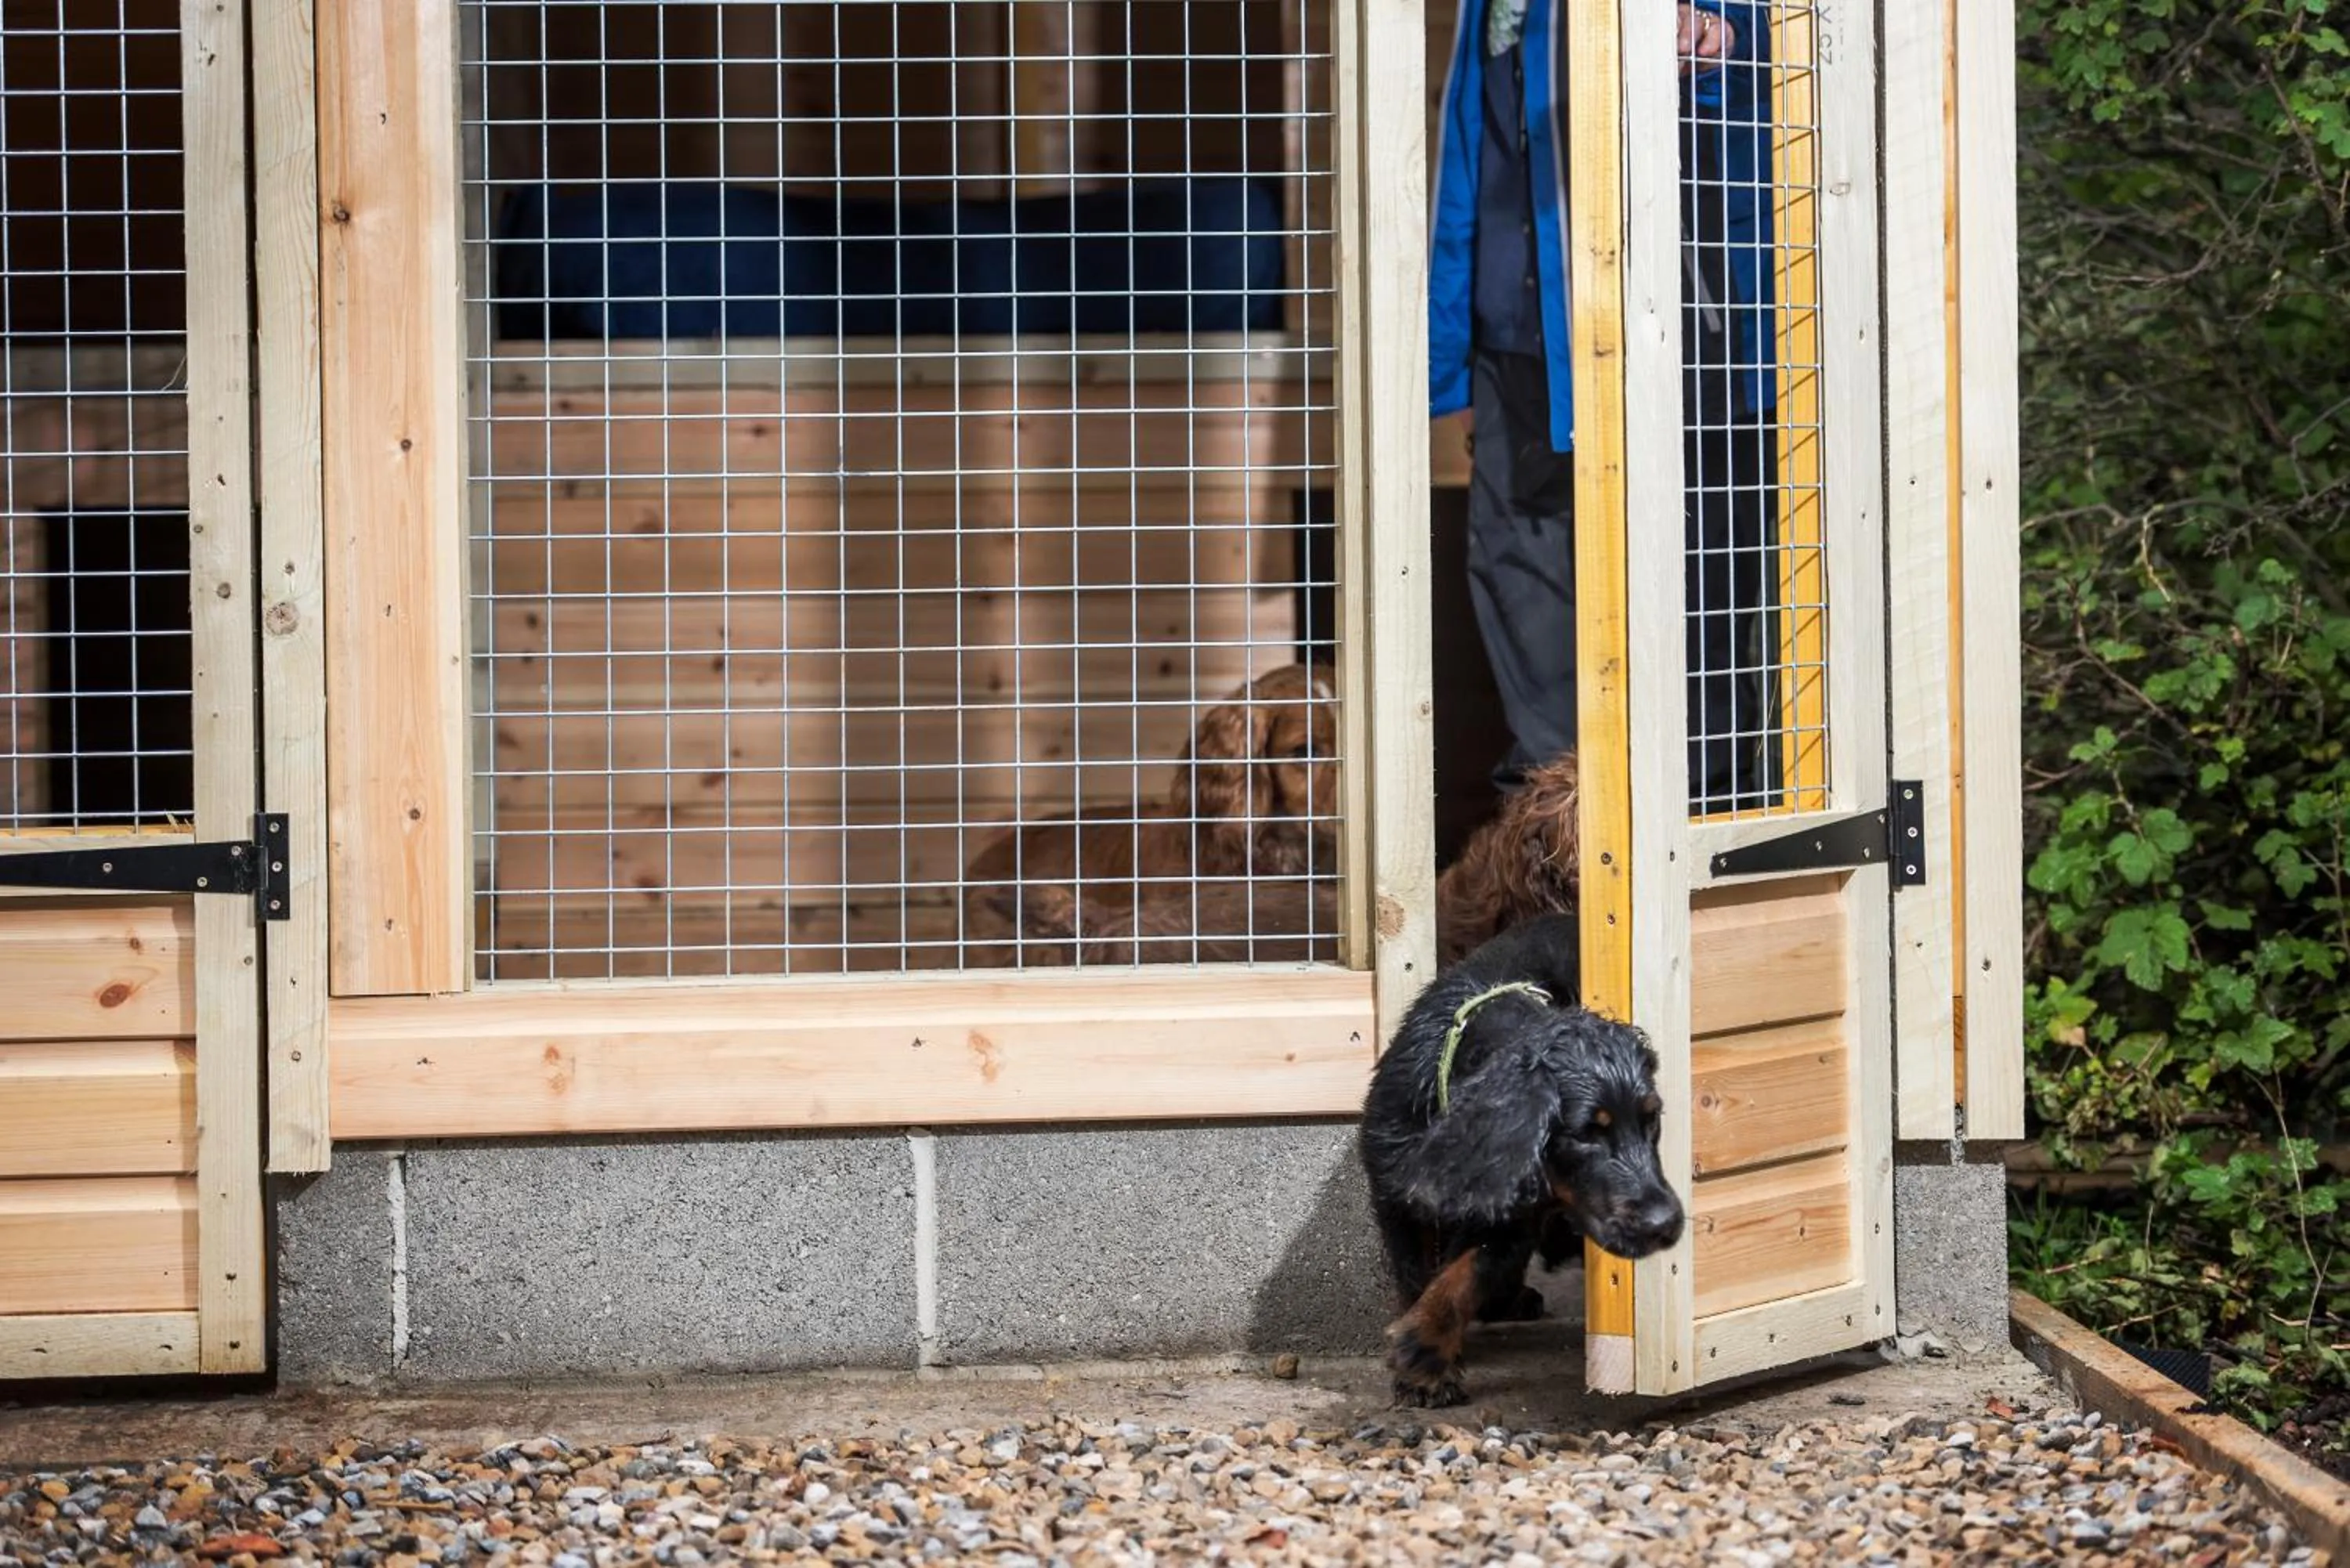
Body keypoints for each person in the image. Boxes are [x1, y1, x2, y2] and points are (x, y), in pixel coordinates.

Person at [1430, 0, 1781, 812]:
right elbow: (1469, 153)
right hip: (1522, 347)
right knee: (1532, 620)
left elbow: (1807, 46)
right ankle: (1553, 889)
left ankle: (1707, 865)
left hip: (1693, 336)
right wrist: (1456, 351)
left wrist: (1728, 34)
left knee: (1705, 626)